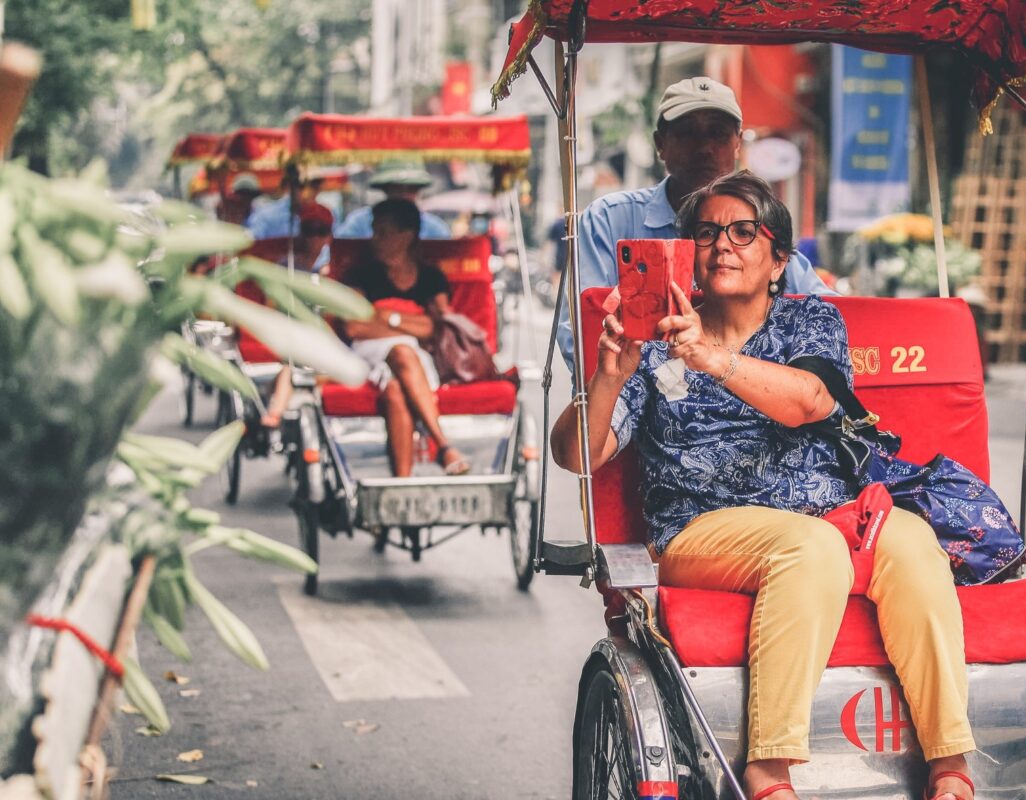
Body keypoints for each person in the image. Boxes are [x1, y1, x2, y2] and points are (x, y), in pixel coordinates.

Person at [550, 173, 974, 800]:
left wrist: (714, 359)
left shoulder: (811, 324)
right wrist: (610, 375)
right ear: (691, 253)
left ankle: (950, 766)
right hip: (701, 528)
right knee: (809, 547)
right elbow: (577, 456)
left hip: (827, 512)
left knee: (912, 542)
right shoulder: (659, 336)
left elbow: (808, 401)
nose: (722, 244)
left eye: (743, 232)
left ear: (779, 260)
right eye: (707, 233)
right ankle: (769, 772)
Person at [559, 76, 832, 364]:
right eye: (688, 134)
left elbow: (832, 312)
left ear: (737, 144)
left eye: (718, 134)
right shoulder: (608, 220)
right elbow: (579, 332)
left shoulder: (761, 225)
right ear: (660, 144)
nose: (705, 148)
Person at [339, 198, 471, 477]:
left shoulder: (430, 277)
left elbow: (435, 327)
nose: (376, 239)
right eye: (375, 231)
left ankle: (402, 484)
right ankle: (444, 445)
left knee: (396, 391)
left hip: (415, 360)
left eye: (383, 232)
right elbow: (354, 328)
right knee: (402, 351)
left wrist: (385, 317)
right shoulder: (359, 274)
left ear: (406, 236)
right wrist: (410, 323)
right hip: (369, 355)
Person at [257, 202, 335, 429]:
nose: (314, 238)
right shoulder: (286, 267)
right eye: (309, 231)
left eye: (321, 232)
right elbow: (272, 306)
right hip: (290, 333)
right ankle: (276, 411)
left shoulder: (332, 270)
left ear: (328, 237)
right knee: (290, 366)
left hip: (325, 337)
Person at [335, 161, 452, 240]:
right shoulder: (359, 223)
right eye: (398, 189)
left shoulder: (435, 229)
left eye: (411, 189)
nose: (404, 195)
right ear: (386, 189)